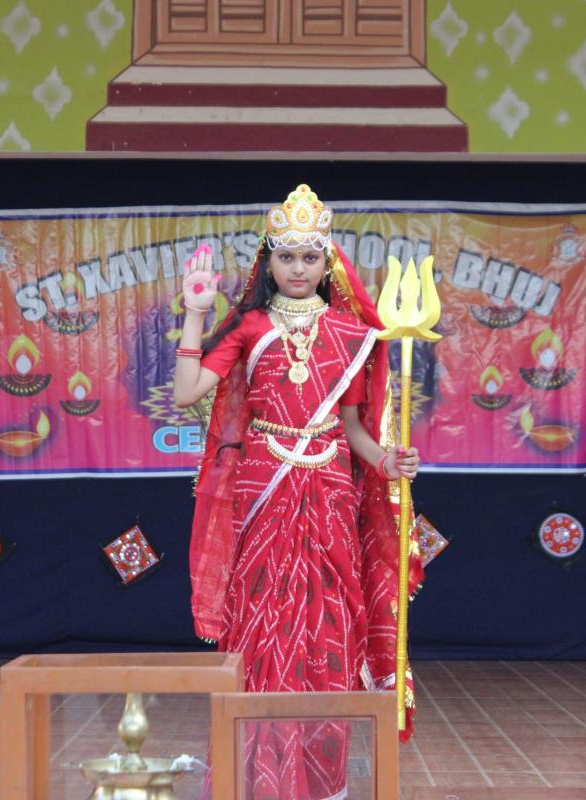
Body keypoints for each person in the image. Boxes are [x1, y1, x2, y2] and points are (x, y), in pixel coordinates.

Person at [173, 185, 423, 800]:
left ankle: (321, 778)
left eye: (310, 257)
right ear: (269, 262)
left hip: (330, 486)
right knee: (262, 617)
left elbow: (355, 430)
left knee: (328, 624)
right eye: (286, 257)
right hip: (265, 481)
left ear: (327, 261)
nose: (298, 269)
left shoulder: (352, 333)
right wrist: (196, 313)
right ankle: (254, 774)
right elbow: (185, 392)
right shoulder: (249, 326)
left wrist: (388, 461)